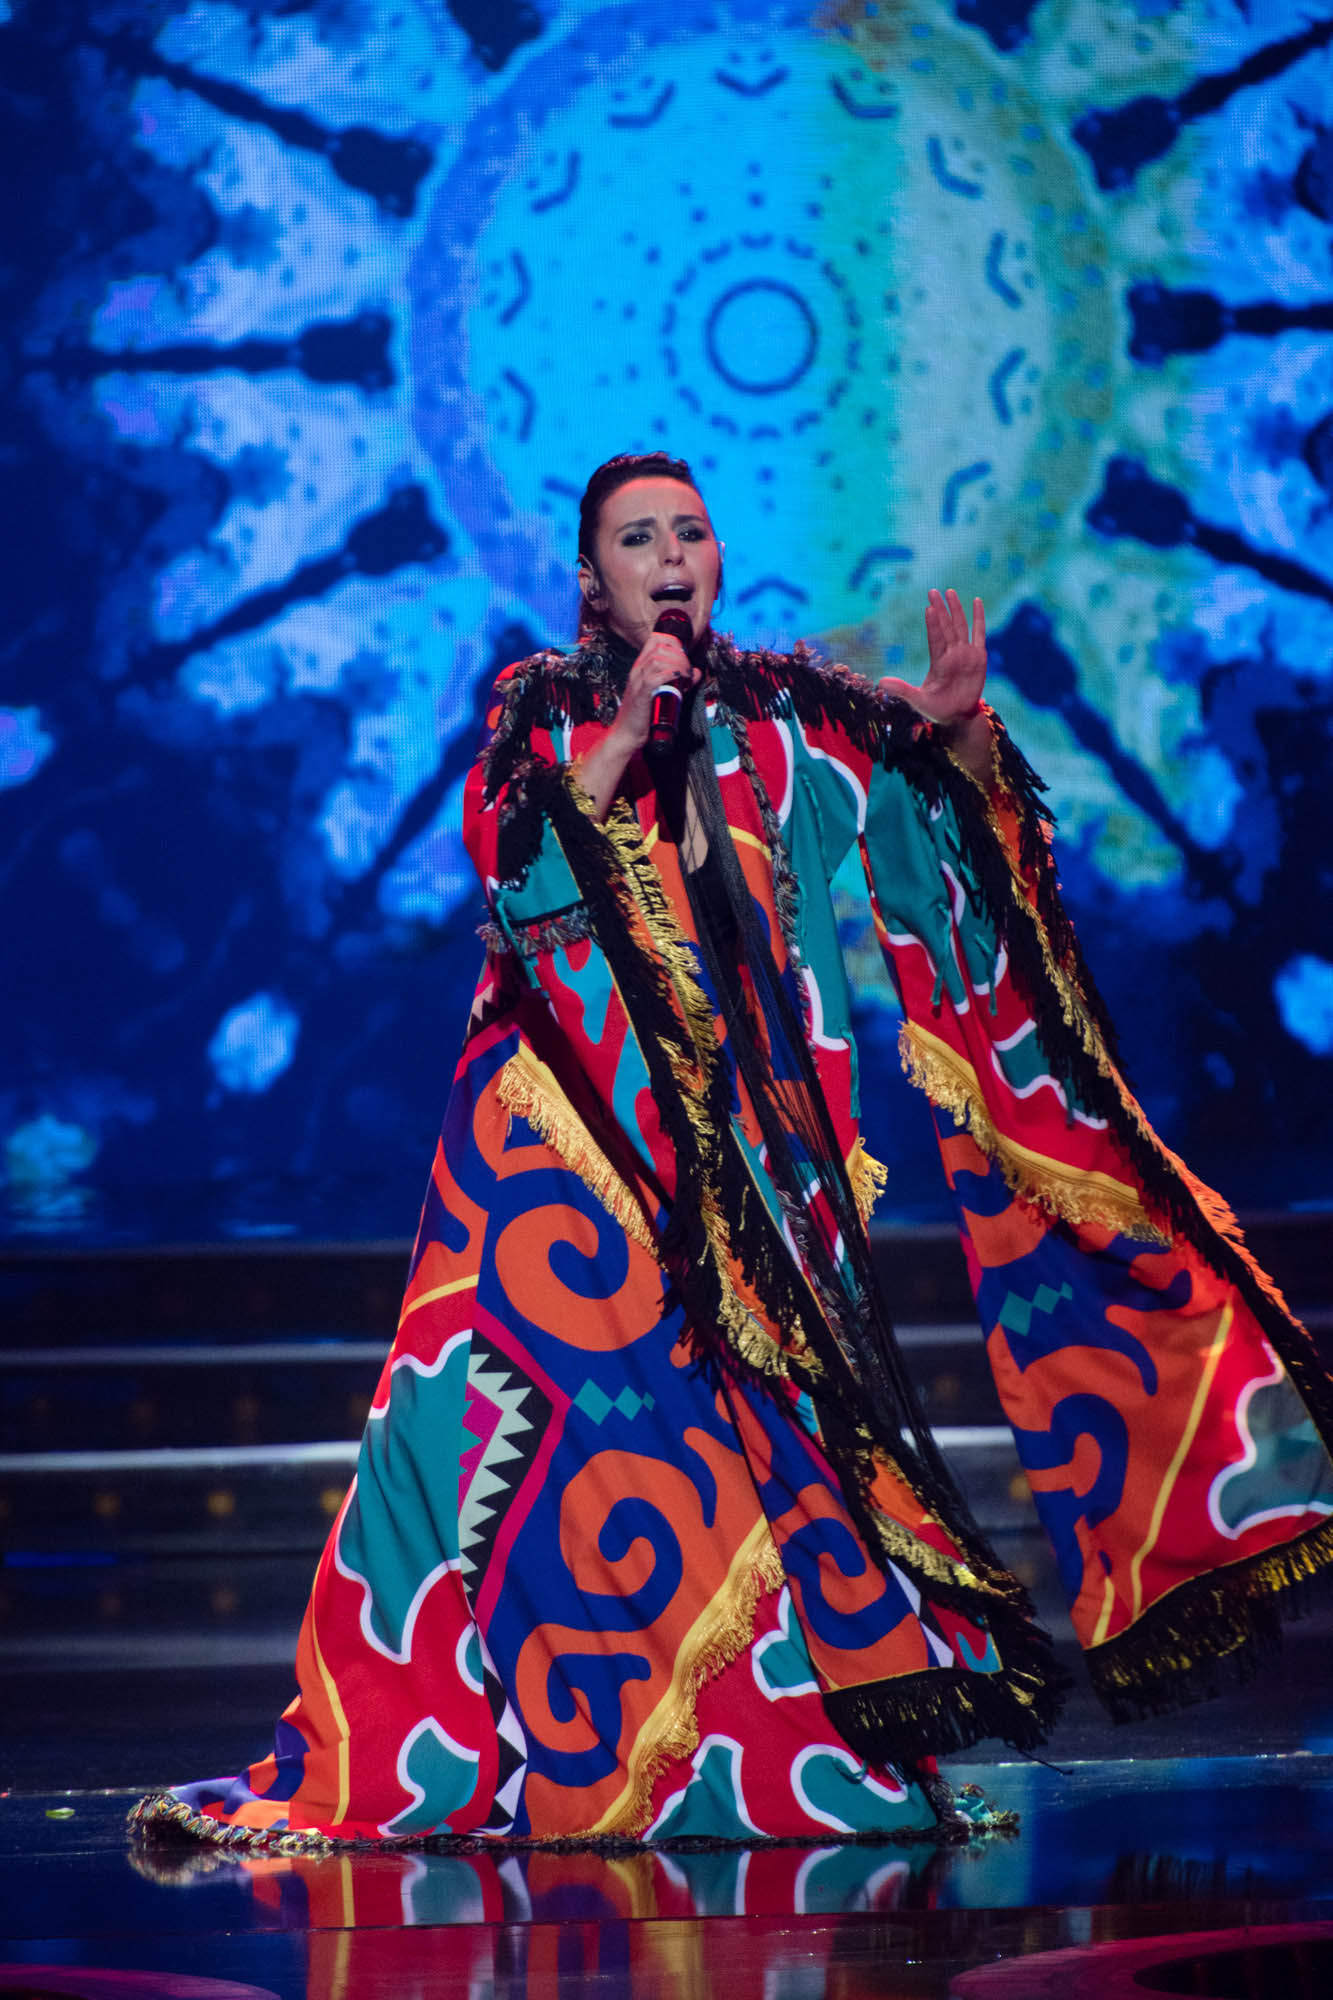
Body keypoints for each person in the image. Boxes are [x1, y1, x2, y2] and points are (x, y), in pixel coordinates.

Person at [134, 452, 1333, 1853]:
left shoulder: (783, 721)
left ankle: (767, 1753)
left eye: (689, 532)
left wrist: (953, 738)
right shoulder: (545, 706)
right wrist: (624, 727)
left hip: (746, 1168)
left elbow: (931, 847)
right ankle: (509, 1742)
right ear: (593, 580)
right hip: (566, 1149)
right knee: (522, 1445)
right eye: (637, 537)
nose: (669, 555)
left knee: (749, 1440)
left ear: (717, 559)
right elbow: (517, 869)